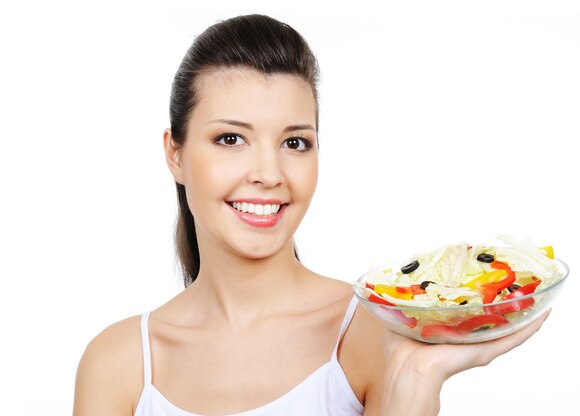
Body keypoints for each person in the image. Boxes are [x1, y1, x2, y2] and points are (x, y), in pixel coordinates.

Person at [73, 14, 549, 416]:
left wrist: (415, 380)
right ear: (174, 154)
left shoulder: (371, 333)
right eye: (231, 139)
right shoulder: (119, 365)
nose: (268, 173)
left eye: (294, 142)